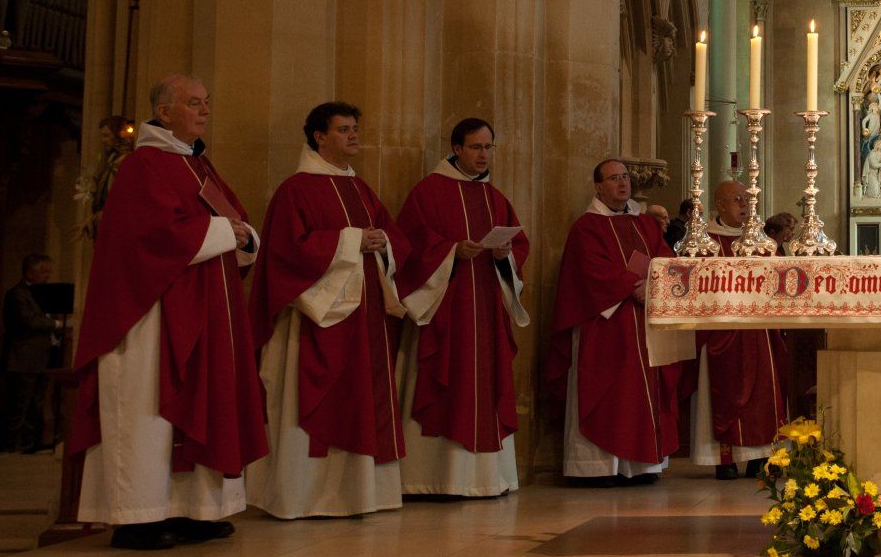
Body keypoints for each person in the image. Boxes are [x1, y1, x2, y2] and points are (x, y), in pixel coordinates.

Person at [69, 74, 266, 549]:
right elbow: (149, 237)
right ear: (164, 113)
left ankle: (195, 509)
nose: (204, 111)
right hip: (152, 315)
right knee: (148, 412)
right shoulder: (145, 166)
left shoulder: (199, 166)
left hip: (206, 312)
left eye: (206, 102)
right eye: (194, 103)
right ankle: (139, 517)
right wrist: (225, 234)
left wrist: (244, 237)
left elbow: (232, 220)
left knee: (204, 403)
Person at [245, 102, 409, 519]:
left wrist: (380, 243)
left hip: (364, 315)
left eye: (355, 128)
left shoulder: (360, 188)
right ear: (318, 136)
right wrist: (354, 241)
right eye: (343, 130)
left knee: (361, 398)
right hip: (316, 318)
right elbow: (287, 252)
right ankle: (303, 496)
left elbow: (392, 237)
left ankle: (357, 493)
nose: (354, 136)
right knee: (311, 400)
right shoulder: (296, 189)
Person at [394, 117, 530, 498]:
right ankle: (434, 478)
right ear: (456, 149)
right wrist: (453, 251)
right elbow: (410, 245)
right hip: (447, 310)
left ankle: (487, 477)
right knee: (446, 382)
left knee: (486, 382)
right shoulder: (428, 192)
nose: (483, 155)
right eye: (475, 147)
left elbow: (520, 246)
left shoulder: (495, 197)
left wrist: (505, 255)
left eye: (489, 147)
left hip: (485, 308)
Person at [547, 159, 683, 484]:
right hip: (606, 324)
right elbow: (589, 272)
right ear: (598, 186)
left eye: (625, 177)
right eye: (613, 178)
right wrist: (631, 287)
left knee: (641, 392)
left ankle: (641, 466)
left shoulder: (646, 224)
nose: (622, 183)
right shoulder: (586, 227)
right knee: (609, 390)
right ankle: (597, 467)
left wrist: (651, 285)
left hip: (644, 318)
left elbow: (666, 259)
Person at [693, 182, 791, 480]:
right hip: (722, 331)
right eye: (737, 200)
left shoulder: (762, 242)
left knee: (764, 395)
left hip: (759, 331)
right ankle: (725, 460)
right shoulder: (705, 241)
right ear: (719, 205)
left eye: (748, 200)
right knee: (722, 393)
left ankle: (761, 458)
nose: (745, 205)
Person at [0, 254, 67, 451]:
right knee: (20, 402)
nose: (48, 276)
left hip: (41, 356)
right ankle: (11, 443)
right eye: (43, 271)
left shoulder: (42, 293)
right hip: (22, 357)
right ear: (30, 272)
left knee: (35, 403)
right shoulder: (17, 294)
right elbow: (27, 320)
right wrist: (55, 324)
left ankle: (30, 442)